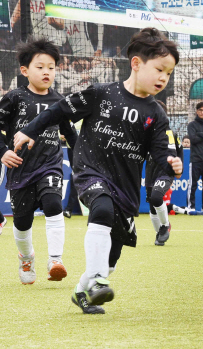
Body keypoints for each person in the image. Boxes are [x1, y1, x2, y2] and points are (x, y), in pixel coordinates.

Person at [14, 27, 182, 314]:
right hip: (90, 170)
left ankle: (83, 288)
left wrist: (170, 171)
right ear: (136, 63)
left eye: (169, 73)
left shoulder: (157, 115)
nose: (163, 78)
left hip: (126, 187)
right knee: (101, 209)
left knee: (111, 260)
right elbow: (57, 111)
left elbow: (161, 158)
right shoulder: (101, 94)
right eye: (159, 70)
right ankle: (94, 283)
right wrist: (30, 130)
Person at [0, 38, 78, 284]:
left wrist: (83, 163)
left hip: (50, 165)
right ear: (24, 70)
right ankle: (27, 257)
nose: (47, 72)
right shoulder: (13, 98)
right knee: (22, 223)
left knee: (54, 204)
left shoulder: (60, 103)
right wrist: (3, 151)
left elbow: (72, 135)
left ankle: (55, 260)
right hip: (20, 170)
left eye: (52, 67)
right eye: (40, 66)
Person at [145, 100, 183, 246]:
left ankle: (166, 225)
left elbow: (179, 153)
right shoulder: (145, 134)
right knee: (152, 207)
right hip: (150, 172)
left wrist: (179, 171)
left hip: (165, 171)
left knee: (156, 197)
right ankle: (160, 232)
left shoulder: (172, 134)